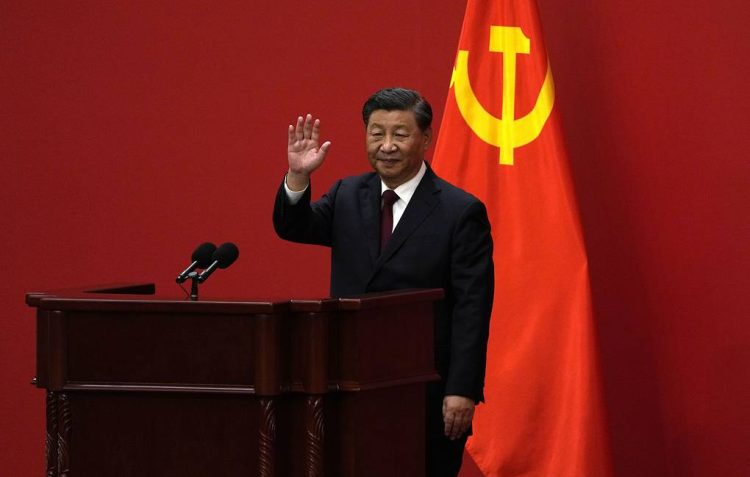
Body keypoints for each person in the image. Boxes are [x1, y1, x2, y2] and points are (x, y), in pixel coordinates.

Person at [273, 87, 493, 476]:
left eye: (400, 134)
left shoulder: (460, 211)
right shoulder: (346, 194)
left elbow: (472, 308)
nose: (387, 146)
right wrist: (298, 175)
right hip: (349, 383)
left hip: (423, 389)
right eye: (377, 134)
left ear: (425, 139)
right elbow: (294, 226)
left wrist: (462, 389)